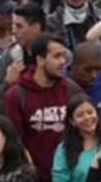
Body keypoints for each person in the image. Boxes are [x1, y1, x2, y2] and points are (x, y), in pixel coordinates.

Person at [5, 35, 84, 182]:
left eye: (64, 56)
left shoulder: (73, 91)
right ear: (40, 60)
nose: (62, 62)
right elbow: (14, 143)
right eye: (56, 56)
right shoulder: (16, 96)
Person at [52, 96, 101, 182]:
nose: (87, 117)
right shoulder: (64, 150)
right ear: (72, 121)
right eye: (80, 115)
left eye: (90, 112)